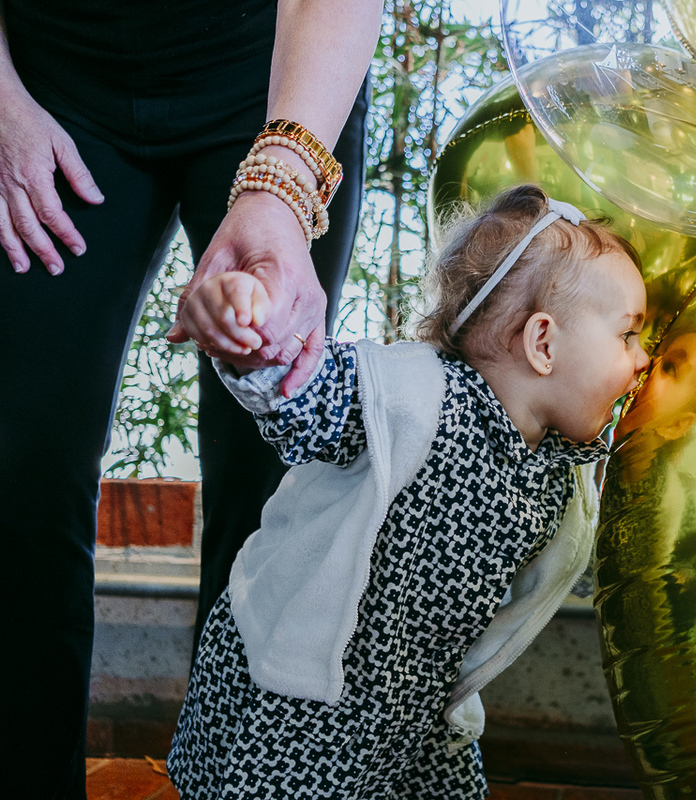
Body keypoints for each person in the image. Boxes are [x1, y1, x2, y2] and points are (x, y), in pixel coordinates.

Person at [0, 2, 380, 796]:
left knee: (268, 487)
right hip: (42, 81)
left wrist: (281, 186)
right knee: (17, 472)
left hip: (273, 80)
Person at [166, 185, 651, 797]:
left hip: (413, 710)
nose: (642, 360)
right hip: (305, 704)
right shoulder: (412, 397)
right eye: (628, 335)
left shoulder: (557, 463)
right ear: (543, 343)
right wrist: (253, 337)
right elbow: (308, 397)